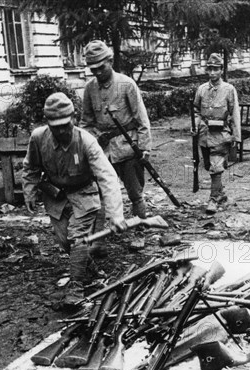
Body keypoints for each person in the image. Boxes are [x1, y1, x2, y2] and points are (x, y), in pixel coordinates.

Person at [22, 92, 126, 300]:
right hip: (56, 195)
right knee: (65, 243)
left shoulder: (87, 142)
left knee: (77, 239)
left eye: (65, 124)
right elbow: (31, 167)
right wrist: (30, 190)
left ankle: (76, 287)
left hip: (84, 194)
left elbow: (107, 178)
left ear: (74, 118)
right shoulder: (38, 138)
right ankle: (90, 268)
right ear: (48, 124)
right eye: (55, 126)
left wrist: (115, 214)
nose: (61, 130)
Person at [80, 40, 152, 221]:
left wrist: (144, 148)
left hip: (127, 147)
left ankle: (140, 230)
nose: (96, 72)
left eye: (100, 67)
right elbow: (85, 122)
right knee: (102, 194)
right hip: (103, 151)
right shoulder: (89, 88)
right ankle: (103, 235)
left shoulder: (126, 84)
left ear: (110, 61)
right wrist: (91, 141)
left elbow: (141, 119)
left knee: (135, 194)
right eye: (92, 69)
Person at [192, 53, 241, 214]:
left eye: (216, 69)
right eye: (210, 69)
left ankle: (213, 199)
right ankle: (220, 193)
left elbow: (235, 113)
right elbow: (196, 110)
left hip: (221, 134)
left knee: (215, 166)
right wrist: (195, 124)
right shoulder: (201, 90)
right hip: (204, 135)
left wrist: (236, 136)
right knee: (208, 165)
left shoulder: (228, 89)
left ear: (221, 70)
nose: (212, 73)